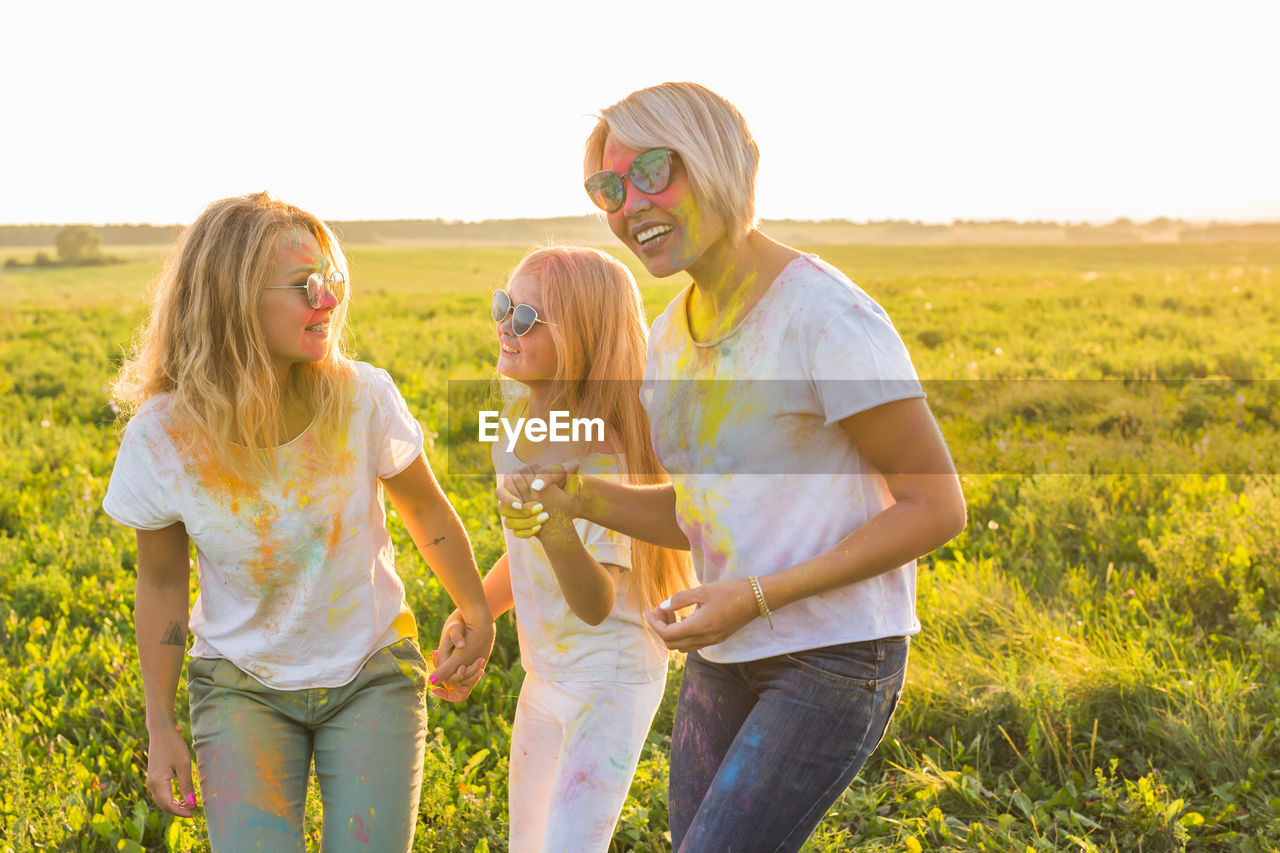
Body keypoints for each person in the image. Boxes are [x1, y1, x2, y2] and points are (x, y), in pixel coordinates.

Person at [500, 83, 968, 851]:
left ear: (720, 163)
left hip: (834, 655)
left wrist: (755, 596)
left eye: (654, 170)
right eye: (609, 188)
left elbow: (936, 507)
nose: (630, 204)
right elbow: (697, 513)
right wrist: (579, 497)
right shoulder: (668, 344)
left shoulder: (824, 316)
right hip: (724, 653)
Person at [102, 192, 493, 852]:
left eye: (331, 281)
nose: (328, 301)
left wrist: (475, 609)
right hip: (239, 686)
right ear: (233, 299)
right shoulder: (161, 437)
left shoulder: (363, 396)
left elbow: (424, 508)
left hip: (372, 672)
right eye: (306, 285)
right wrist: (161, 722)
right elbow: (163, 583)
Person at [438, 246, 693, 851]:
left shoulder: (602, 453)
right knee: (528, 845)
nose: (505, 324)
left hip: (609, 680)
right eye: (505, 305)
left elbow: (596, 601)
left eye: (527, 318)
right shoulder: (521, 425)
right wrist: (475, 610)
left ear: (581, 339)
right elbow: (525, 552)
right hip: (545, 670)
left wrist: (555, 523)